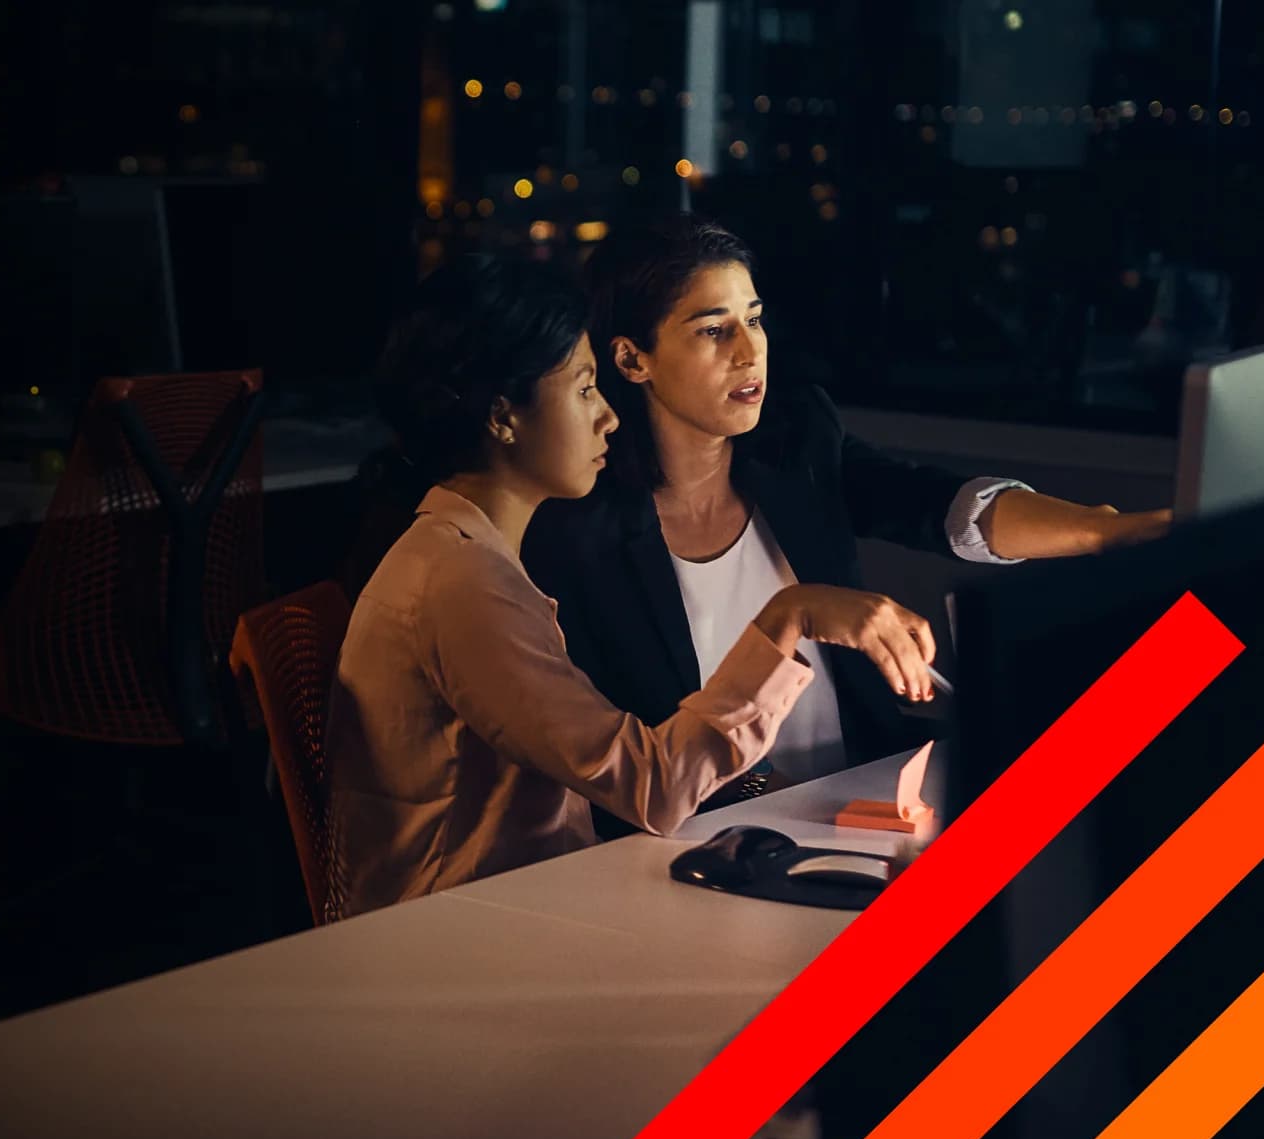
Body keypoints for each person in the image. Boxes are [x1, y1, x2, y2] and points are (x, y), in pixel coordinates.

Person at [327, 253, 931, 916]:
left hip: (533, 911)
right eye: (585, 388)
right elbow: (652, 788)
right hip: (465, 937)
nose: (609, 417)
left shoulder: (474, 555)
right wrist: (789, 617)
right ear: (503, 417)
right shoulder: (462, 582)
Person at [521, 215, 1168, 822]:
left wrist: (1102, 531)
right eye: (713, 330)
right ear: (633, 360)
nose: (750, 352)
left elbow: (938, 505)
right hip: (713, 834)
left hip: (862, 792)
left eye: (755, 320)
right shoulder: (580, 531)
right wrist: (781, 804)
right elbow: (636, 749)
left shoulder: (797, 439)